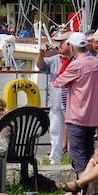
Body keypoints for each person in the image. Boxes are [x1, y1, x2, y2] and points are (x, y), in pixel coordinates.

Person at [53, 32, 98, 183]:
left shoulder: (75, 65)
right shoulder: (95, 62)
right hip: (92, 115)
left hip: (76, 114)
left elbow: (57, 82)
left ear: (72, 47)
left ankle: (84, 189)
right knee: (88, 152)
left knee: (77, 154)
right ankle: (90, 188)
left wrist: (67, 62)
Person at [37, 30, 73, 164]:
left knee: (73, 131)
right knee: (55, 130)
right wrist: (42, 53)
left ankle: (72, 159)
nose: (59, 45)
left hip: (72, 101)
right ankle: (54, 158)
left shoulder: (75, 60)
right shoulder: (55, 59)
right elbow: (40, 65)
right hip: (56, 101)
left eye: (61, 43)